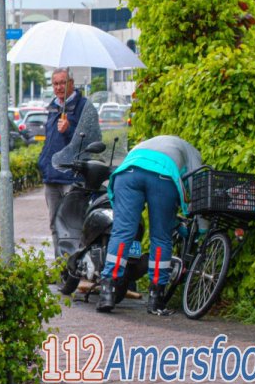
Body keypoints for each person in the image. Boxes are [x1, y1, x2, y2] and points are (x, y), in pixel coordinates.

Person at [97, 135, 203, 315]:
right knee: (161, 237)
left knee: (122, 233)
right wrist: (201, 228)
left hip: (128, 172)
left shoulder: (148, 144)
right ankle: (156, 299)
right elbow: (198, 188)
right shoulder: (193, 153)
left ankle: (107, 292)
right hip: (162, 177)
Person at [37, 68, 91, 236]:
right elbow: (50, 139)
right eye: (55, 84)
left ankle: (75, 262)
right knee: (55, 225)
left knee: (74, 224)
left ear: (72, 84)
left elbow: (90, 139)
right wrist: (42, 161)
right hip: (52, 177)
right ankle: (59, 262)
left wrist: (69, 130)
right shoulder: (53, 108)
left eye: (62, 83)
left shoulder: (84, 106)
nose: (59, 87)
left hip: (72, 177)